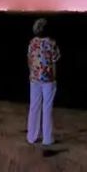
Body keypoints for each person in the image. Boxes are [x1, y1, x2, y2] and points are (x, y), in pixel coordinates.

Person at [25, 16, 60, 149]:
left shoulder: (32, 43)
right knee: (47, 108)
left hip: (34, 78)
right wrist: (54, 78)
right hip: (48, 79)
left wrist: (32, 74)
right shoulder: (52, 43)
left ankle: (32, 136)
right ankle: (47, 138)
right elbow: (55, 62)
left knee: (34, 107)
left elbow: (29, 60)